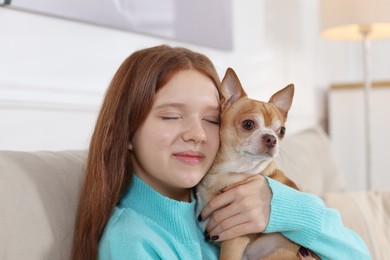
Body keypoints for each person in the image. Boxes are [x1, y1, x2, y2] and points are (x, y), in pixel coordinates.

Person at [71, 45, 370, 260]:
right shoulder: (133, 240)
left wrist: (286, 209)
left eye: (212, 119)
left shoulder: (231, 197)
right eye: (172, 116)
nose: (197, 134)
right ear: (126, 132)